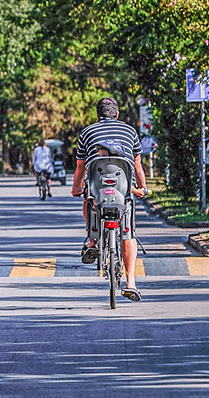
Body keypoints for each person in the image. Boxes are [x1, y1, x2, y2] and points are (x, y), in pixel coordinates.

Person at [71, 97, 150, 301]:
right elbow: (137, 164)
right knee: (128, 232)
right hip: (124, 191)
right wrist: (142, 187)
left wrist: (75, 188)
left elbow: (80, 166)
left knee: (87, 199)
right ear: (117, 115)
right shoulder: (130, 131)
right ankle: (131, 282)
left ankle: (92, 240)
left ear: (98, 116)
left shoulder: (87, 132)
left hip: (97, 190)